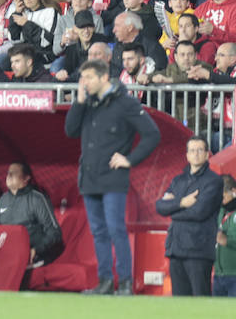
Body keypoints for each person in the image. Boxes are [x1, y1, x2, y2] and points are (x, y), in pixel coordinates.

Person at [65, 59, 161, 295]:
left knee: (116, 228)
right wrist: (78, 102)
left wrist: (129, 160)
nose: (84, 83)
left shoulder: (125, 102)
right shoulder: (87, 103)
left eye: (88, 78)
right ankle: (105, 282)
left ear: (104, 77)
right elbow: (70, 131)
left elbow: (152, 134)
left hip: (114, 176)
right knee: (98, 231)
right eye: (83, 78)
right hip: (89, 176)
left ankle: (126, 282)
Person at [155, 136, 224, 297]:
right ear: (186, 155)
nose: (196, 154)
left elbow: (199, 212)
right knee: (179, 301)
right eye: (192, 150)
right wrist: (182, 203)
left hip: (199, 249)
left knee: (200, 299)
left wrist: (172, 210)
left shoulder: (213, 181)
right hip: (175, 247)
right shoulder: (178, 180)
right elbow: (160, 206)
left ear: (207, 154)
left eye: (200, 150)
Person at [0, 161, 62, 267]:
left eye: (14, 172)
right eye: (8, 172)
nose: (9, 175)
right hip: (4, 252)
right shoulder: (3, 199)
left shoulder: (37, 199)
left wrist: (36, 249)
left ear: (26, 178)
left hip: (30, 254)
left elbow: (54, 232)